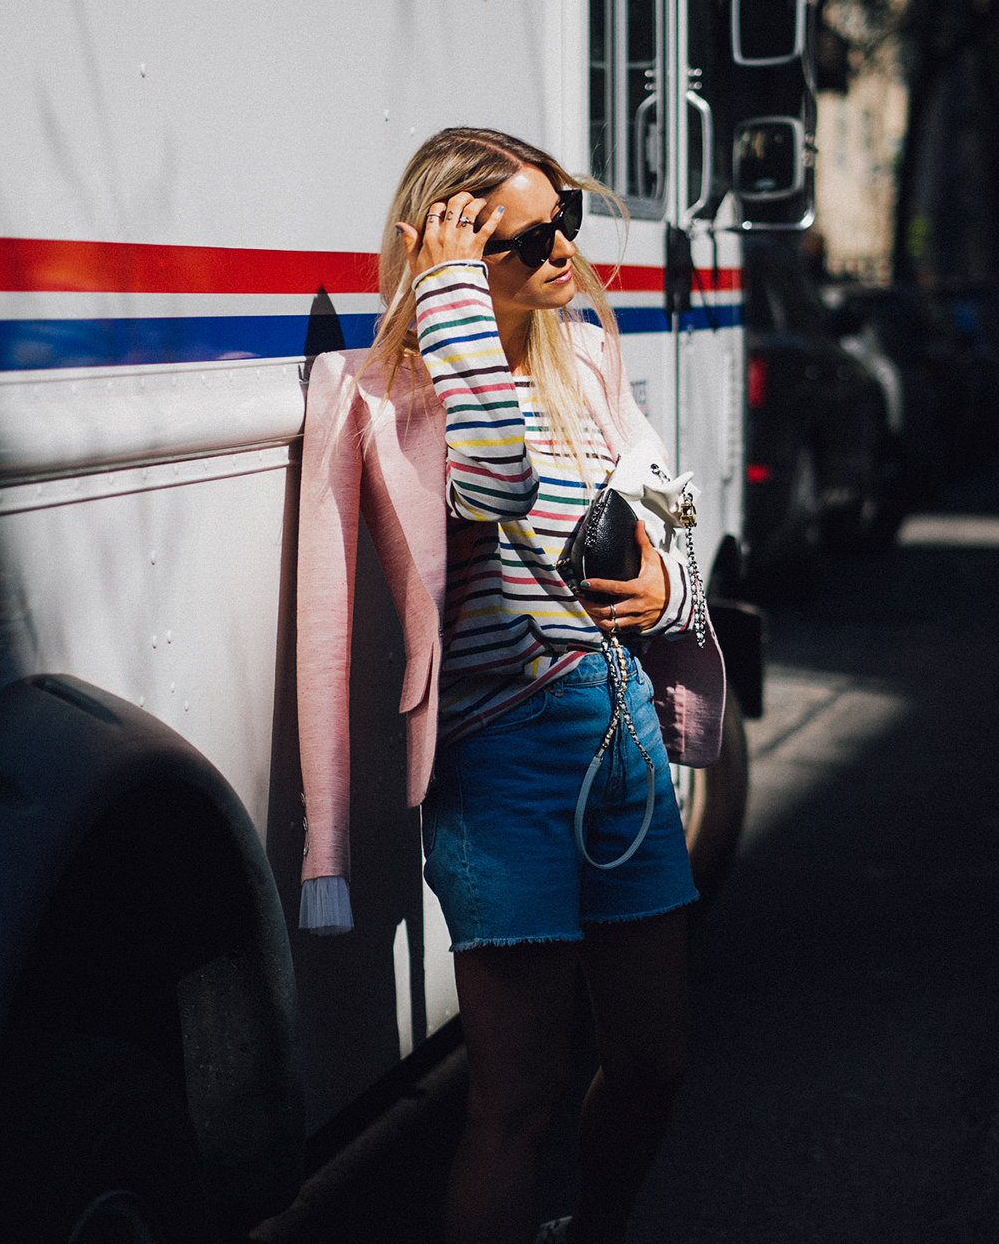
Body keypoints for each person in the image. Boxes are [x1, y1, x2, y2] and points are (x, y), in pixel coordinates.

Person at [296, 128, 725, 1244]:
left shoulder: (584, 360)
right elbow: (491, 481)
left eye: (565, 222)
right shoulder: (394, 392)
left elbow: (663, 507)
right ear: (453, 251)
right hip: (502, 760)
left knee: (655, 1060)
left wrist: (668, 586)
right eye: (527, 238)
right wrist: (449, 309)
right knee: (513, 1101)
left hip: (617, 732)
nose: (560, 254)